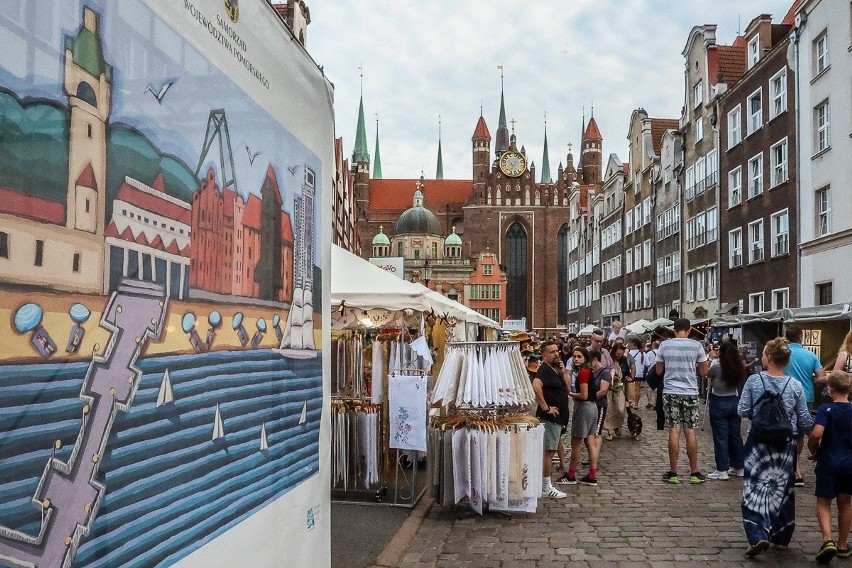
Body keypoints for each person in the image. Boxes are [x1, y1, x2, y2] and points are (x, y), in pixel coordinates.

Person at [738, 338, 814, 557]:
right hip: (785, 443)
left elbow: (742, 410)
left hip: (758, 443)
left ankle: (758, 534)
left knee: (754, 488)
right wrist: (815, 442)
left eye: (763, 354)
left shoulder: (754, 381)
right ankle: (781, 536)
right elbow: (804, 419)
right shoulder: (795, 385)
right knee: (782, 488)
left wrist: (760, 412)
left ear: (769, 358)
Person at [655, 318, 710, 484]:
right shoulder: (697, 346)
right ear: (689, 329)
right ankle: (694, 472)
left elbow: (658, 371)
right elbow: (703, 372)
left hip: (671, 391)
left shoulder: (665, 346)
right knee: (690, 431)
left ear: (674, 330)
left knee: (674, 429)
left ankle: (673, 472)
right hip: (690, 392)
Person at [808, 370, 852, 563]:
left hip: (828, 461)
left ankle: (828, 540)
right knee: (845, 502)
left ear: (829, 389)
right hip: (849, 462)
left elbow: (817, 433)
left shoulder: (826, 410)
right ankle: (843, 544)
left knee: (824, 501)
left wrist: (813, 448)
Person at [784, 326, 827, 487]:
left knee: (785, 430)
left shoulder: (782, 354)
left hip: (784, 395)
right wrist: (811, 381)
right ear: (801, 337)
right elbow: (822, 378)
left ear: (786, 337)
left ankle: (789, 466)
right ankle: (796, 467)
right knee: (800, 433)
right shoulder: (810, 355)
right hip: (806, 395)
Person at [532, 340, 571, 499]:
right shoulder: (544, 370)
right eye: (552, 352)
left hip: (559, 418)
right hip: (550, 418)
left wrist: (563, 373)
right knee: (549, 452)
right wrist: (545, 407)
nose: (557, 354)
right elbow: (535, 386)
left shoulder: (555, 370)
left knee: (551, 449)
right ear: (544, 355)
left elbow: (568, 390)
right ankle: (546, 486)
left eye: (557, 351)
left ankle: (545, 484)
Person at [560, 347, 602, 485]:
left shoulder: (584, 372)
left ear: (585, 358)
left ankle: (571, 474)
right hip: (593, 407)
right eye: (574, 356)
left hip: (584, 408)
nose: (576, 359)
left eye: (579, 356)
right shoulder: (588, 371)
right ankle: (592, 475)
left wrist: (570, 394)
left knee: (576, 442)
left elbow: (583, 395)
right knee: (590, 441)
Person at [707, 340, 746, 480]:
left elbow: (706, 373)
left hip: (719, 401)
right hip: (734, 401)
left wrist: (711, 358)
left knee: (721, 436)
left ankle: (722, 468)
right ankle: (739, 466)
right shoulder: (738, 366)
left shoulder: (717, 366)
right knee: (735, 435)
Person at [604, 343, 632, 439]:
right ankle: (609, 431)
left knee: (620, 409)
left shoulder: (623, 360)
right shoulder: (609, 360)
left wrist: (628, 378)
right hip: (609, 388)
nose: (619, 355)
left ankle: (616, 425)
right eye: (617, 353)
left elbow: (627, 373)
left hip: (619, 387)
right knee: (610, 409)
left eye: (621, 353)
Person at [628, 339, 647, 410]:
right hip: (639, 373)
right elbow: (647, 364)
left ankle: (630, 401)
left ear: (634, 344)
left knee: (630, 388)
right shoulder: (643, 353)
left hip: (630, 372)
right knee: (637, 388)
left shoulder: (629, 352)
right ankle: (636, 404)